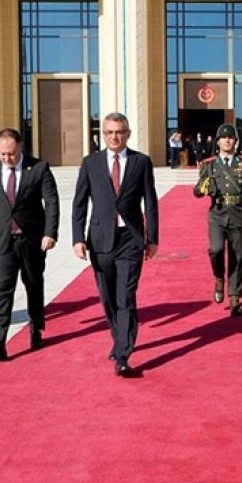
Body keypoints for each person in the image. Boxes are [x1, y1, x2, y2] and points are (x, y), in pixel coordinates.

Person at [72, 113, 159, 377]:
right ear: (102, 134)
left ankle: (123, 354)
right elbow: (79, 202)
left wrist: (152, 238)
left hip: (130, 240)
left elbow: (150, 202)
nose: (114, 137)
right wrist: (78, 238)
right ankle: (118, 335)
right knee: (107, 297)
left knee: (126, 297)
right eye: (109, 132)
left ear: (128, 134)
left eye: (119, 132)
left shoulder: (141, 162)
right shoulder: (91, 163)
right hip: (100, 240)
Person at [0, 128, 59, 361]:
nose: (6, 159)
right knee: (2, 290)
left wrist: (50, 233)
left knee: (33, 284)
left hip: (32, 239)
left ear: (20, 147)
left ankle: (36, 327)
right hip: (2, 240)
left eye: (10, 154)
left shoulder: (39, 168)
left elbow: (51, 202)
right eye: (2, 154)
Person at [193, 123, 242, 316]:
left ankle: (234, 296)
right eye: (223, 138)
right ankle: (218, 277)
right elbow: (197, 191)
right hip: (217, 213)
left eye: (230, 137)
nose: (227, 140)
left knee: (237, 257)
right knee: (215, 250)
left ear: (235, 141)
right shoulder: (209, 165)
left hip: (237, 213)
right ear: (218, 142)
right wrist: (202, 188)